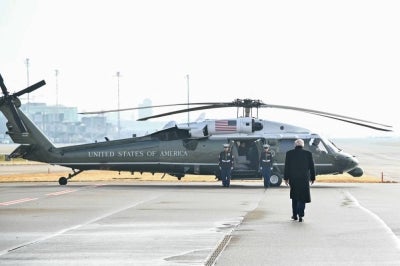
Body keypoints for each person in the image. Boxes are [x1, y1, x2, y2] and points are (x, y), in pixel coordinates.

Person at [283, 139, 316, 222]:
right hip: (304, 178)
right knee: (303, 197)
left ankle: (294, 215)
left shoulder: (289, 153)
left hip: (293, 178)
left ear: (295, 145)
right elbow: (312, 166)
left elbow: (287, 167)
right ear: (303, 145)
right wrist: (312, 177)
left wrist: (286, 178)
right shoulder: (308, 154)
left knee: (295, 196)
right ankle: (301, 215)